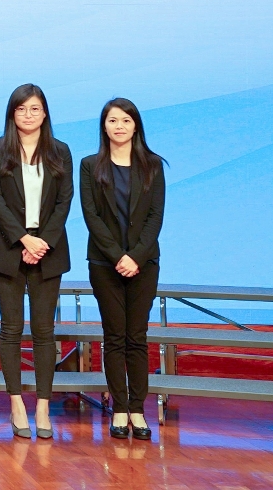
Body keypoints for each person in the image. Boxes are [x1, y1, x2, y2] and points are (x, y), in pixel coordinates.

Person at [0, 85, 73, 440]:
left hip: (48, 249)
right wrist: (23, 238)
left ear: (44, 113)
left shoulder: (60, 151)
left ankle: (43, 407)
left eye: (35, 109)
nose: (28, 115)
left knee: (44, 331)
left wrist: (41, 241)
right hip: (8, 247)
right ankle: (17, 403)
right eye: (21, 109)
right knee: (11, 328)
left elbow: (64, 202)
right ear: (12, 114)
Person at [80, 98, 166, 441]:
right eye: (113, 120)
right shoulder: (90, 165)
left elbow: (155, 217)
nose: (119, 126)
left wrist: (136, 257)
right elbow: (92, 216)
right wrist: (118, 256)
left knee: (137, 337)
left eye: (126, 121)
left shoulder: (153, 165)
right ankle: (119, 408)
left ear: (136, 126)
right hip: (105, 263)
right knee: (114, 336)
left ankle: (138, 409)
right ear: (104, 126)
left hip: (144, 264)